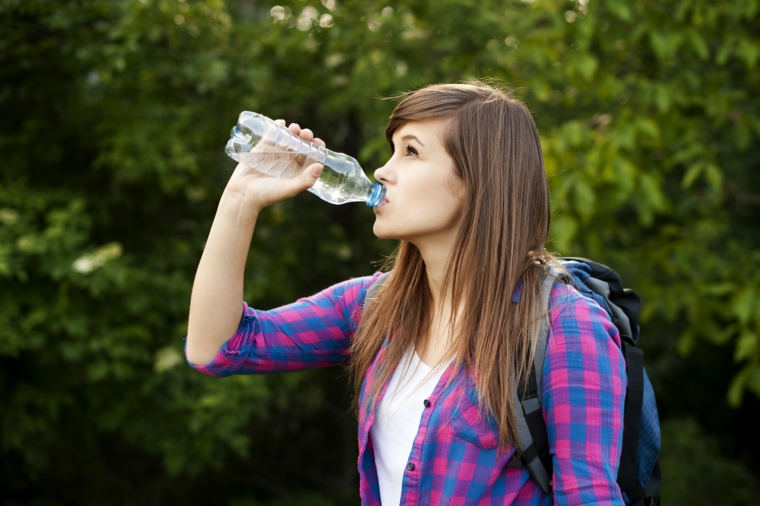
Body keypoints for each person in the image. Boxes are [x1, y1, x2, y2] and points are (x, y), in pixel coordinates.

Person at [186, 82, 627, 505]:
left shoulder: (563, 326)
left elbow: (589, 495)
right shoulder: (374, 306)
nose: (381, 170)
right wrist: (240, 200)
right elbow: (218, 349)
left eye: (411, 152)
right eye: (392, 149)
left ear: (478, 181)